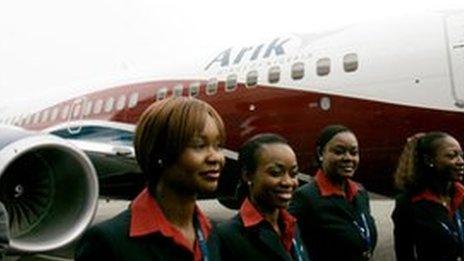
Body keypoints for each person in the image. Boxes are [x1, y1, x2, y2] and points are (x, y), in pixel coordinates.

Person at [75, 97, 226, 260]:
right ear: (160, 153)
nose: (216, 157)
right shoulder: (106, 242)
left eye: (218, 146)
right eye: (199, 145)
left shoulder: (214, 235)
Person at [213, 133, 309, 260]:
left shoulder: (291, 225)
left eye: (293, 173)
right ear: (247, 175)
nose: (288, 182)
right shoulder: (226, 236)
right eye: (276, 173)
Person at [288, 124, 377, 261]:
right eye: (339, 152)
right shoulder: (305, 197)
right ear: (320, 153)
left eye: (354, 153)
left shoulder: (360, 193)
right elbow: (291, 246)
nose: (348, 158)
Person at [392, 132, 464, 261]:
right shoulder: (409, 204)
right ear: (429, 160)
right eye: (452, 156)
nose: (461, 162)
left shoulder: (461, 196)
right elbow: (404, 253)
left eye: (461, 155)